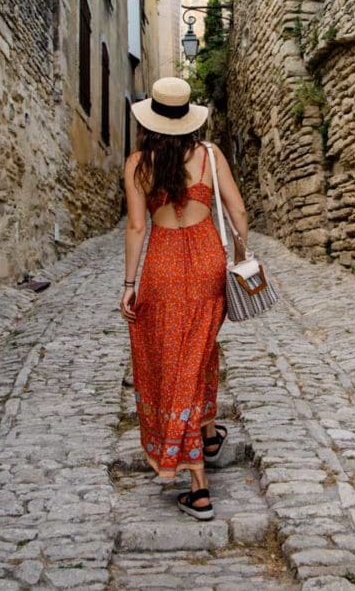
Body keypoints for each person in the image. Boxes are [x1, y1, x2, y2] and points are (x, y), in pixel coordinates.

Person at [120, 77, 248, 521]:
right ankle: (203, 455)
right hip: (208, 261)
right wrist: (241, 257)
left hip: (163, 266)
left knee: (175, 361)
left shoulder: (139, 163)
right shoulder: (211, 156)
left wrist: (129, 283)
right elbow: (237, 212)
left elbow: (137, 228)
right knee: (198, 352)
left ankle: (198, 474)